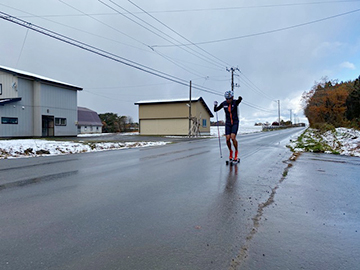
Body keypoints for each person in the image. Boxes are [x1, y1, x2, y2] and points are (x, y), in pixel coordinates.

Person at [214, 91, 242, 162]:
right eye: (226, 99)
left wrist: (240, 99)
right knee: (227, 139)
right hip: (228, 123)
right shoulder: (224, 104)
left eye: (229, 99)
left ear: (232, 98)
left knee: (233, 137)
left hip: (235, 122)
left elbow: (238, 101)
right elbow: (216, 110)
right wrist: (215, 105)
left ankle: (236, 152)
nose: (228, 100)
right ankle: (231, 151)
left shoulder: (235, 102)